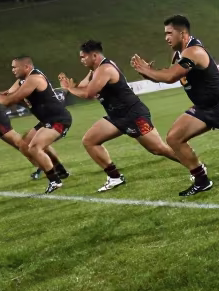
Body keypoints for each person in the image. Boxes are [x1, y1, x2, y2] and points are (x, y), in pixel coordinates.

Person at [130, 15, 219, 197]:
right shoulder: (178, 54)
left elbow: (170, 76)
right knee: (174, 138)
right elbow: (172, 75)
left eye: (169, 33)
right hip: (202, 108)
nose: (166, 38)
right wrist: (149, 75)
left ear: (182, 33)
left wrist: (147, 70)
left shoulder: (194, 51)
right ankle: (202, 181)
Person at [58, 40, 183, 192]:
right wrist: (71, 87)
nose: (81, 60)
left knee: (158, 149)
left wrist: (70, 90)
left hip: (133, 114)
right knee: (90, 141)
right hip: (116, 116)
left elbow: (89, 94)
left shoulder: (105, 69)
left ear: (94, 55)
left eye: (83, 57)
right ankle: (114, 177)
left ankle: (195, 166)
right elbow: (83, 86)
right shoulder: (95, 70)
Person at [0, 57, 73, 194]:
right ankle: (60, 171)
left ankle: (55, 181)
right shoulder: (22, 80)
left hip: (58, 120)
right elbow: (8, 94)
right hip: (46, 120)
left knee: (34, 147)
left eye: (15, 67)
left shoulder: (34, 78)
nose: (12, 70)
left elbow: (7, 101)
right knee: (25, 144)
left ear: (26, 67)